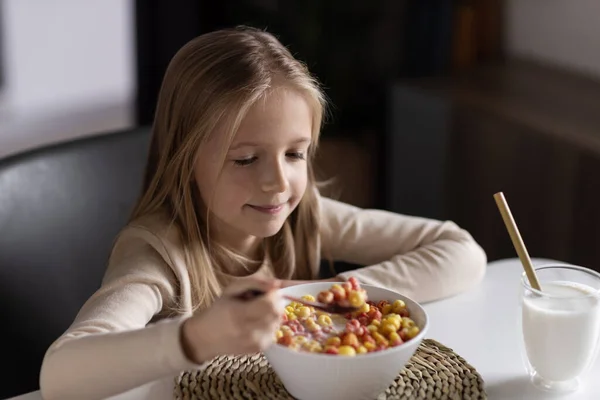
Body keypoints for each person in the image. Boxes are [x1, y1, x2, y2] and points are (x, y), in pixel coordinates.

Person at [39, 26, 487, 400]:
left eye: (295, 154)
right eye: (246, 159)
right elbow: (60, 377)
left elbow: (461, 251)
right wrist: (196, 337)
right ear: (185, 157)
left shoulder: (302, 214)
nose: (277, 183)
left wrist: (328, 294)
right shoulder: (158, 253)